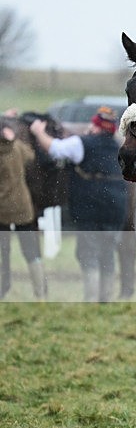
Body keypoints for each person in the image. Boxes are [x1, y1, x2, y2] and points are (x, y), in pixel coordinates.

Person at [30, 107, 128, 302]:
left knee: (88, 252)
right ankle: (106, 299)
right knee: (108, 253)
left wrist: (39, 132)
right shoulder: (121, 146)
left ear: (97, 126)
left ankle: (91, 299)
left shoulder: (81, 143)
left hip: (90, 207)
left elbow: (55, 149)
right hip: (116, 207)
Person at [0, 118, 47, 299]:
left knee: (3, 253)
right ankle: (40, 293)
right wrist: (14, 139)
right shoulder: (17, 148)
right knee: (31, 252)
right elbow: (31, 155)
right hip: (22, 208)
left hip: (1, 211)